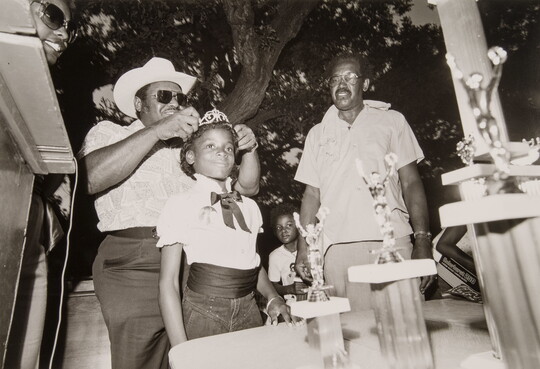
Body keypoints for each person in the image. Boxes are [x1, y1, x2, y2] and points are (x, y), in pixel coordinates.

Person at [78, 57, 260, 369]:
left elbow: (245, 193)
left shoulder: (188, 150)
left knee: (206, 359)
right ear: (138, 103)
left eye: (179, 98)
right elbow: (91, 177)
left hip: (193, 268)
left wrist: (248, 149)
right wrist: (158, 131)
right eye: (164, 96)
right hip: (133, 265)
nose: (175, 103)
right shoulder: (108, 132)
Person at [294, 53, 436, 311]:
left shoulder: (392, 121)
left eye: (350, 77)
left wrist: (423, 240)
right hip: (336, 250)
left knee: (405, 328)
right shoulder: (317, 134)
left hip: (391, 242)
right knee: (350, 336)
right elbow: (312, 194)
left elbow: (411, 183)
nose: (341, 84)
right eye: (335, 79)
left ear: (366, 84)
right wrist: (303, 247)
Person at [157, 111, 298, 347]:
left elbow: (251, 263)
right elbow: (168, 283)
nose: (222, 152)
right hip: (204, 312)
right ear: (191, 156)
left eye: (229, 147)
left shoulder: (250, 207)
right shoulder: (180, 204)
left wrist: (273, 297)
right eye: (210, 146)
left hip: (249, 310)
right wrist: (181, 349)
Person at [5, 1, 76, 368]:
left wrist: (46, 213)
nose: (64, 33)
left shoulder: (44, 97)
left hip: (26, 225)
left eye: (70, 27)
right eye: (53, 15)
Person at [267, 203, 307, 302]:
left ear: (298, 226)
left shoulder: (309, 250)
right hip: (292, 306)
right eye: (279, 227)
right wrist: (290, 289)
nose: (284, 230)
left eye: (289, 225)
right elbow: (273, 286)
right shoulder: (275, 256)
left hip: (314, 302)